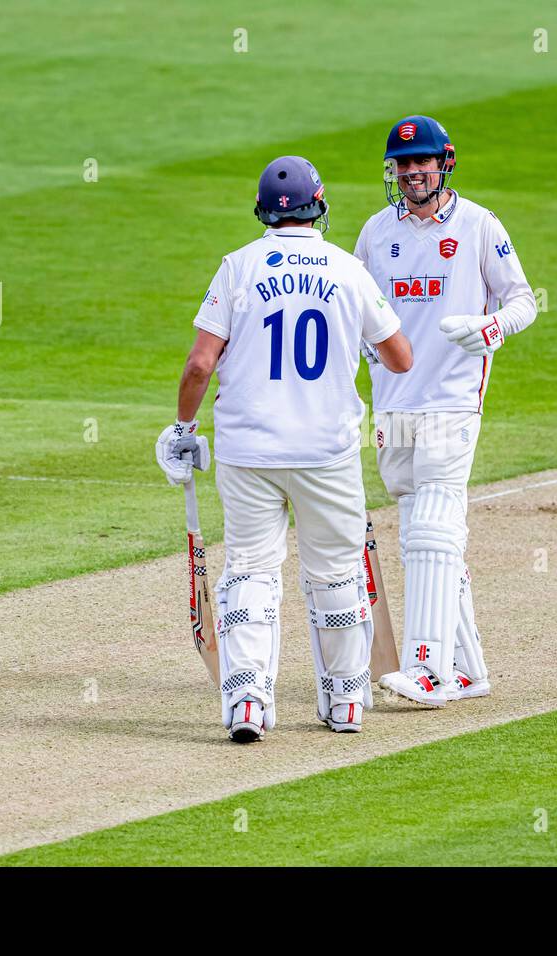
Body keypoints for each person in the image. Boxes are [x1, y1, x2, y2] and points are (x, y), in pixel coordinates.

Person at [157, 156, 413, 742]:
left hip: (249, 450)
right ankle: (346, 700)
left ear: (263, 211)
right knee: (337, 574)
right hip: (327, 450)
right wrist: (361, 346)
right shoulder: (348, 270)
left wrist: (182, 428)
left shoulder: (238, 266)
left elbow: (201, 363)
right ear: (319, 204)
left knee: (248, 569)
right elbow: (400, 357)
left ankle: (247, 701)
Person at [354, 115, 536, 706]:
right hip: (394, 405)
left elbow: (522, 302)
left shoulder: (480, 225)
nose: (411, 174)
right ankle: (470, 669)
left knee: (433, 529)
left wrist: (489, 328)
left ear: (445, 161)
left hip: (453, 400)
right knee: (425, 537)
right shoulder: (377, 233)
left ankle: (428, 669)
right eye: (402, 165)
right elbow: (357, 317)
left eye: (421, 163)